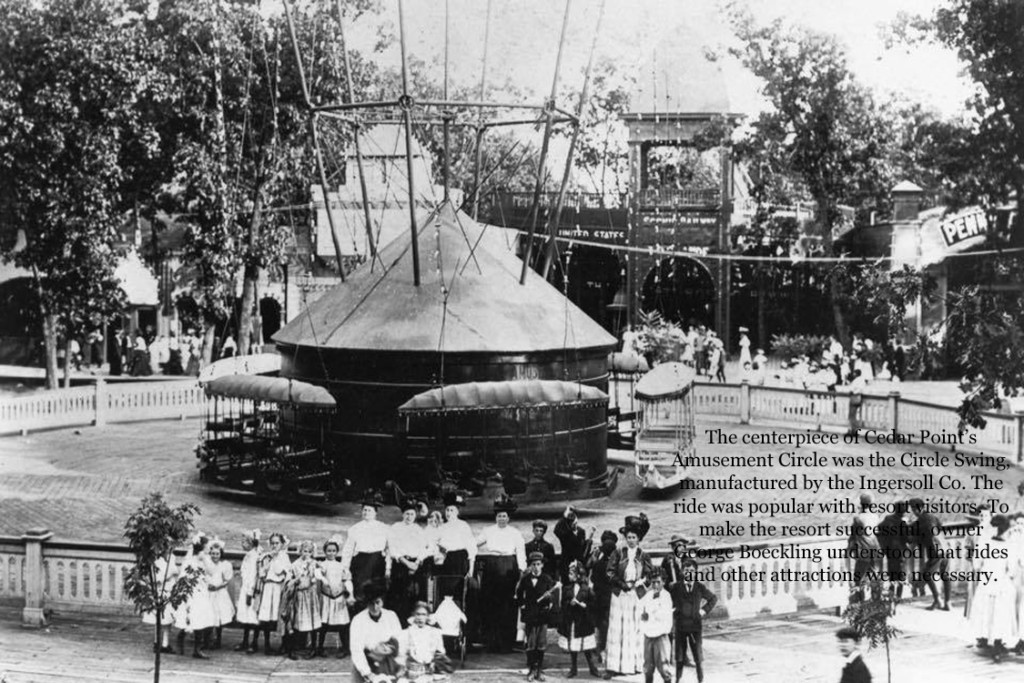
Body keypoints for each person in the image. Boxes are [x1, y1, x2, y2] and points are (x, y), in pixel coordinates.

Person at [604, 514, 653, 679]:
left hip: (635, 595)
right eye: (628, 537)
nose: (631, 540)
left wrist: (641, 582)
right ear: (625, 538)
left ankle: (633, 664)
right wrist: (621, 583)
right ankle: (615, 665)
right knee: (618, 628)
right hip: (620, 595)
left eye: (634, 537)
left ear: (639, 539)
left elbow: (650, 574)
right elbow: (609, 572)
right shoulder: (618, 553)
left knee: (633, 628)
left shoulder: (643, 555)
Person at [476, 493, 526, 653]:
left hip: (509, 568)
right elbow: (472, 543)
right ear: (495, 517)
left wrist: (522, 571)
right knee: (491, 604)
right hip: (492, 567)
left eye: (504, 516)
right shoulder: (488, 530)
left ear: (508, 517)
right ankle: (491, 642)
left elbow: (521, 553)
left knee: (507, 605)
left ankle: (506, 642)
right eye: (499, 516)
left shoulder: (515, 533)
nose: (502, 519)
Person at [968, 514, 1016, 661]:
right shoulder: (1009, 546)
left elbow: (976, 565)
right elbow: (1012, 570)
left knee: (985, 611)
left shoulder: (984, 544)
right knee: (999, 613)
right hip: (1001, 583)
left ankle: (984, 638)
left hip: (986, 581)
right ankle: (997, 641)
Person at [670, 559, 717, 683]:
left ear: (696, 572)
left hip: (695, 627)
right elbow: (669, 602)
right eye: (686, 571)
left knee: (698, 657)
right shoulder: (676, 587)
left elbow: (713, 598)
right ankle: (677, 680)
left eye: (691, 571)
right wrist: (674, 611)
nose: (689, 573)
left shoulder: (699, 587)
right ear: (681, 572)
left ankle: (700, 680)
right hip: (680, 626)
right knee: (679, 657)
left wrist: (703, 611)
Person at [342, 490, 389, 612]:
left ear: (375, 513)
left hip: (378, 563)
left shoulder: (384, 528)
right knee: (361, 593)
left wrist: (388, 567)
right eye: (364, 510)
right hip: (360, 564)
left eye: (369, 510)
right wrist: (345, 568)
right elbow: (347, 551)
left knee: (377, 593)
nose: (366, 512)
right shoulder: (355, 529)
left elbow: (389, 550)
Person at [349, 581, 404, 683]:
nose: (374, 607)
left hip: (388, 663)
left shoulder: (391, 616)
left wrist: (400, 665)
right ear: (366, 603)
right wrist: (368, 674)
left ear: (382, 601)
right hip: (365, 663)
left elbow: (400, 642)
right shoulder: (358, 620)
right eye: (371, 603)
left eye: (377, 602)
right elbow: (356, 650)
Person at [516, 551, 557, 681]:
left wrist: (549, 600)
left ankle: (539, 670)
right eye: (533, 564)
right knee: (531, 643)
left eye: (538, 564)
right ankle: (531, 669)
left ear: (542, 565)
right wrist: (522, 605)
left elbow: (553, 597)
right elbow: (518, 594)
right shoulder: (526, 579)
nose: (536, 567)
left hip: (542, 616)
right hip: (530, 615)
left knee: (541, 643)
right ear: (530, 565)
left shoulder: (547, 579)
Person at [174, 532, 216, 659]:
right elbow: (184, 578)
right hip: (192, 593)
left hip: (202, 592)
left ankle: (197, 649)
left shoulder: (205, 559)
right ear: (202, 547)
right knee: (191, 617)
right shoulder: (190, 560)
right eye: (208, 546)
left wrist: (204, 560)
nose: (210, 548)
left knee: (202, 619)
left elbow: (212, 572)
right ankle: (180, 639)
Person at [386, 498, 428, 624]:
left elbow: (424, 548)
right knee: (399, 597)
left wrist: (417, 561)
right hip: (400, 565)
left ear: (415, 515)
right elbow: (393, 548)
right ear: (403, 515)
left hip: (416, 566)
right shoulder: (395, 528)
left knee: (415, 596)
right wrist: (406, 562)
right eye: (407, 514)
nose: (409, 517)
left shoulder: (419, 530)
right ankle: (400, 625)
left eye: (412, 514)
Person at [558, 560, 600, 678]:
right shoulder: (567, 588)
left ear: (578, 575)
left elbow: (593, 604)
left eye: (571, 574)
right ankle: (573, 668)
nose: (569, 576)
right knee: (573, 646)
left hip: (583, 621)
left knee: (586, 647)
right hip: (572, 621)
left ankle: (592, 667)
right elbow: (563, 603)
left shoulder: (587, 589)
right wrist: (569, 603)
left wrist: (583, 605)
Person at [908, 498, 950, 610]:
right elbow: (940, 528)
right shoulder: (933, 517)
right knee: (945, 575)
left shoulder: (920, 521)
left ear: (919, 508)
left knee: (926, 574)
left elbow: (915, 538)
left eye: (914, 509)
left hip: (935, 551)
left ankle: (937, 600)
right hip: (945, 548)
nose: (913, 511)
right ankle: (948, 603)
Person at [435, 492, 476, 604]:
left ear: (457, 511)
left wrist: (471, 568)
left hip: (461, 559)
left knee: (459, 590)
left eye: (452, 510)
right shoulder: (442, 527)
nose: (449, 513)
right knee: (447, 590)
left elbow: (471, 548)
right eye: (447, 510)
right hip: (448, 560)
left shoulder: (463, 525)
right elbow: (436, 543)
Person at [256, 532, 292, 655]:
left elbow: (279, 571)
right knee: (266, 615)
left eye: (277, 543)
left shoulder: (284, 557)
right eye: (272, 543)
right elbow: (261, 574)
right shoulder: (266, 557)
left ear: (282, 544)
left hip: (278, 587)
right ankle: (267, 644)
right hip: (268, 587)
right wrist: (266, 562)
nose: (274, 546)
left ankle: (284, 644)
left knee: (280, 615)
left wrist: (275, 558)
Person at [317, 537, 353, 658]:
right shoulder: (322, 565)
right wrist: (323, 581)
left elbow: (347, 580)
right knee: (324, 624)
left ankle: (345, 648)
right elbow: (318, 576)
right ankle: (319, 648)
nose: (331, 553)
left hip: (339, 598)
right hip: (326, 598)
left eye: (333, 551)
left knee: (342, 624)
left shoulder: (341, 565)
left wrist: (347, 591)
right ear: (325, 552)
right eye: (328, 550)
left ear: (337, 552)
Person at [141, 544, 177, 655]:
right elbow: (156, 580)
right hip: (160, 591)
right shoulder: (157, 562)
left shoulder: (172, 558)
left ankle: (165, 643)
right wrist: (169, 575)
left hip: (170, 591)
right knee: (159, 619)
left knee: (168, 620)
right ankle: (156, 642)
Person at [400, 601, 450, 681]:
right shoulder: (407, 632)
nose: (420, 618)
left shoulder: (435, 633)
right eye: (418, 614)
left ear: (427, 616)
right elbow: (402, 654)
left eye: (423, 614)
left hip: (429, 672)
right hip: (412, 672)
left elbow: (440, 652)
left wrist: (435, 663)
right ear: (413, 615)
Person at [290, 540, 324, 658]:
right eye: (305, 551)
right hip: (300, 594)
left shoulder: (314, 563)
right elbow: (291, 577)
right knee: (299, 618)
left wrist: (317, 572)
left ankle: (314, 646)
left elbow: (319, 576)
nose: (307, 553)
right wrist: (296, 580)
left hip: (311, 594)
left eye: (310, 551)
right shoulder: (295, 564)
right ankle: (296, 646)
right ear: (300, 551)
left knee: (313, 619)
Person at [587, 530, 618, 659]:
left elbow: (593, 579)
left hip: (599, 597)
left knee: (601, 623)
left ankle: (600, 647)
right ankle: (607, 647)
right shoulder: (615, 565)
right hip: (611, 596)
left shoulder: (598, 564)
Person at [638, 573, 673, 683]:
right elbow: (641, 609)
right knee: (648, 667)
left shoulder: (666, 596)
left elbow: (664, 615)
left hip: (660, 635)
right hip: (648, 634)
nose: (656, 585)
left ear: (663, 582)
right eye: (653, 582)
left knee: (663, 667)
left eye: (658, 582)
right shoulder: (648, 595)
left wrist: (651, 613)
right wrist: (643, 616)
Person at [848, 492, 882, 600]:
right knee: (874, 578)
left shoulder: (858, 518)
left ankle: (860, 605)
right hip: (875, 550)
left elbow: (853, 534)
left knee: (858, 579)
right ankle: (876, 603)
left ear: (861, 503)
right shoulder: (875, 517)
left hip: (864, 551)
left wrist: (850, 547)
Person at [875, 502, 911, 602]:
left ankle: (891, 598)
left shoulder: (887, 519)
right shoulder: (902, 523)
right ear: (903, 512)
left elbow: (879, 528)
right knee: (900, 577)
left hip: (890, 552)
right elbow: (908, 539)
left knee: (892, 576)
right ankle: (898, 599)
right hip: (900, 552)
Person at [234, 529, 262, 653]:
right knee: (246, 615)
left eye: (245, 541)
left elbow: (253, 576)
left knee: (253, 616)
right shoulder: (249, 555)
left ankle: (254, 642)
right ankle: (245, 641)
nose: (242, 543)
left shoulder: (255, 557)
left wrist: (250, 593)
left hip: (252, 590)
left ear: (251, 543)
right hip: (246, 588)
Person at [205, 538, 235, 650]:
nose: (215, 556)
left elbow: (226, 580)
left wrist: (218, 586)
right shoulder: (207, 564)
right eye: (212, 553)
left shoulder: (224, 565)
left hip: (219, 592)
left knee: (219, 615)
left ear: (220, 554)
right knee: (209, 615)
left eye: (217, 554)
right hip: (209, 592)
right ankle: (208, 639)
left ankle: (218, 639)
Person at [554, 505, 594, 585]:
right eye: (573, 524)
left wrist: (589, 540)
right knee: (567, 586)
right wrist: (564, 517)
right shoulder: (565, 534)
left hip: (579, 563)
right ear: (569, 525)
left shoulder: (581, 531)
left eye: (576, 523)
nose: (575, 525)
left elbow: (582, 547)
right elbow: (557, 530)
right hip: (567, 563)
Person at [846, 370, 866, 435]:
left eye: (854, 373)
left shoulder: (856, 380)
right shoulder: (862, 380)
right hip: (859, 397)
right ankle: (854, 430)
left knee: (851, 415)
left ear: (856, 374)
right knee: (855, 415)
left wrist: (851, 392)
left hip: (854, 396)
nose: (853, 374)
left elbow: (852, 389)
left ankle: (851, 430)